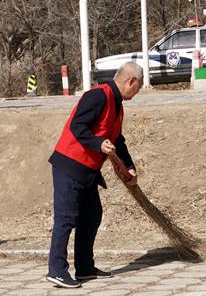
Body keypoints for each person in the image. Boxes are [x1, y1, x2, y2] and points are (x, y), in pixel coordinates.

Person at [46, 61, 143, 289]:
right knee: (66, 219)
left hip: (87, 171)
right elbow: (77, 127)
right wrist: (98, 144)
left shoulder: (117, 105)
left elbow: (117, 139)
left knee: (91, 216)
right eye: (137, 89)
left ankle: (85, 267)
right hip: (69, 165)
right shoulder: (97, 96)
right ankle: (57, 271)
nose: (136, 94)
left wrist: (129, 166)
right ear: (131, 81)